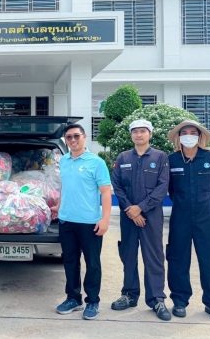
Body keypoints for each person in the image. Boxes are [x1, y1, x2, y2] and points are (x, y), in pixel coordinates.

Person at [166, 120, 210, 323]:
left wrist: (203, 202)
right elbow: (170, 190)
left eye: (193, 132)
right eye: (185, 133)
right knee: (178, 258)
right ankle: (180, 301)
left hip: (206, 217)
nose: (189, 136)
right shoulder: (172, 160)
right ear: (179, 137)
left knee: (209, 260)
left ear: (200, 137)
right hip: (180, 216)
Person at [111, 119, 171, 321]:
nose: (138, 134)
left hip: (151, 216)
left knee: (154, 256)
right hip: (128, 215)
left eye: (143, 131)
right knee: (128, 255)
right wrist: (131, 210)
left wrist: (141, 208)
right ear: (131, 135)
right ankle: (129, 294)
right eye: (135, 131)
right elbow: (117, 185)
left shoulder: (160, 157)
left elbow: (163, 186)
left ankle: (157, 299)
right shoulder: (123, 157)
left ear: (150, 134)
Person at [51, 123, 112, 320]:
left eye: (76, 136)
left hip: (89, 222)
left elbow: (105, 192)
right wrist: (59, 205)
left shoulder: (96, 162)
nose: (73, 140)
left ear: (84, 137)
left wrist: (105, 219)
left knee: (92, 263)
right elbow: (65, 186)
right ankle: (73, 298)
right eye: (69, 137)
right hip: (66, 221)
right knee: (70, 261)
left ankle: (92, 300)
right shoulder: (64, 161)